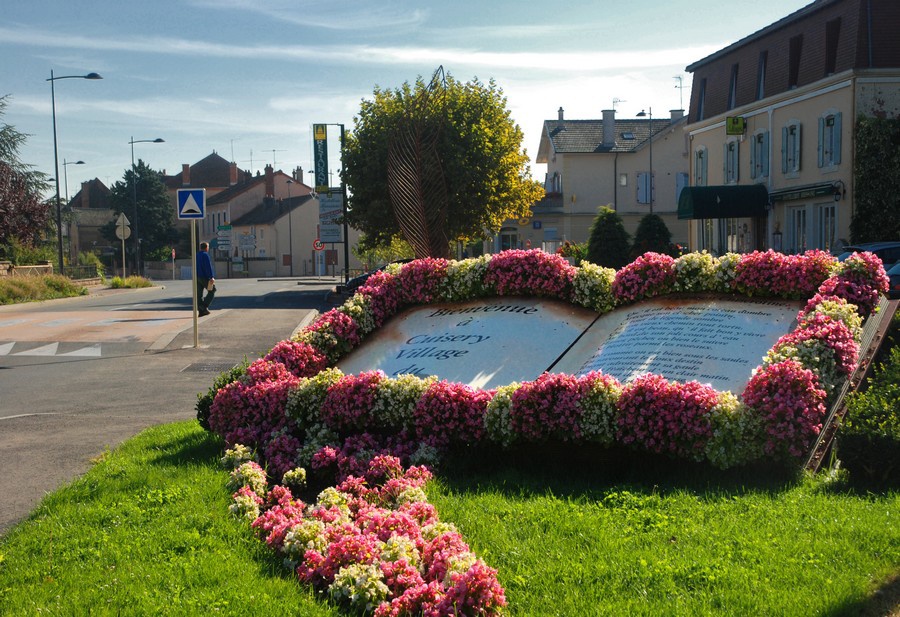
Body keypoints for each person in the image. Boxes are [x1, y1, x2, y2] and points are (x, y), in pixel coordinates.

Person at [196, 242, 215, 316]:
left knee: (199, 294)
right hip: (204, 277)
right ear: (206, 248)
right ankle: (203, 306)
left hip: (197, 277)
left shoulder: (196, 255)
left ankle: (201, 311)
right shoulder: (205, 255)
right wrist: (211, 277)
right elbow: (208, 267)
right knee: (212, 290)